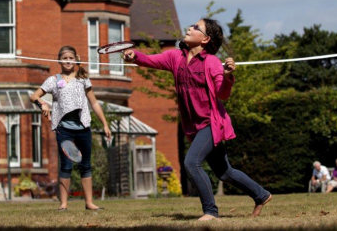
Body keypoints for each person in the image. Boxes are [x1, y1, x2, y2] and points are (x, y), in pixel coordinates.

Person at [123, 18, 271, 221]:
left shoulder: (211, 62)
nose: (190, 28)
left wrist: (228, 77)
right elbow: (151, 60)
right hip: (194, 125)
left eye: (196, 27)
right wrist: (134, 56)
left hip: (212, 123)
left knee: (192, 163)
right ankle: (261, 195)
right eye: (192, 26)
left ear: (205, 39)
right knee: (225, 172)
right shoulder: (175, 58)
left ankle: (210, 211)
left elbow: (223, 94)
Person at [30, 45, 111, 211]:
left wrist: (105, 123)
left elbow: (94, 102)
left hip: (83, 127)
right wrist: (43, 103)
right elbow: (34, 96)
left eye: (71, 58)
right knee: (66, 165)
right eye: (65, 58)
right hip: (64, 129)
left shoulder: (83, 79)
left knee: (86, 165)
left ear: (75, 60)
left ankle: (89, 203)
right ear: (59, 60)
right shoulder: (53, 80)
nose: (68, 61)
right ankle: (63, 204)